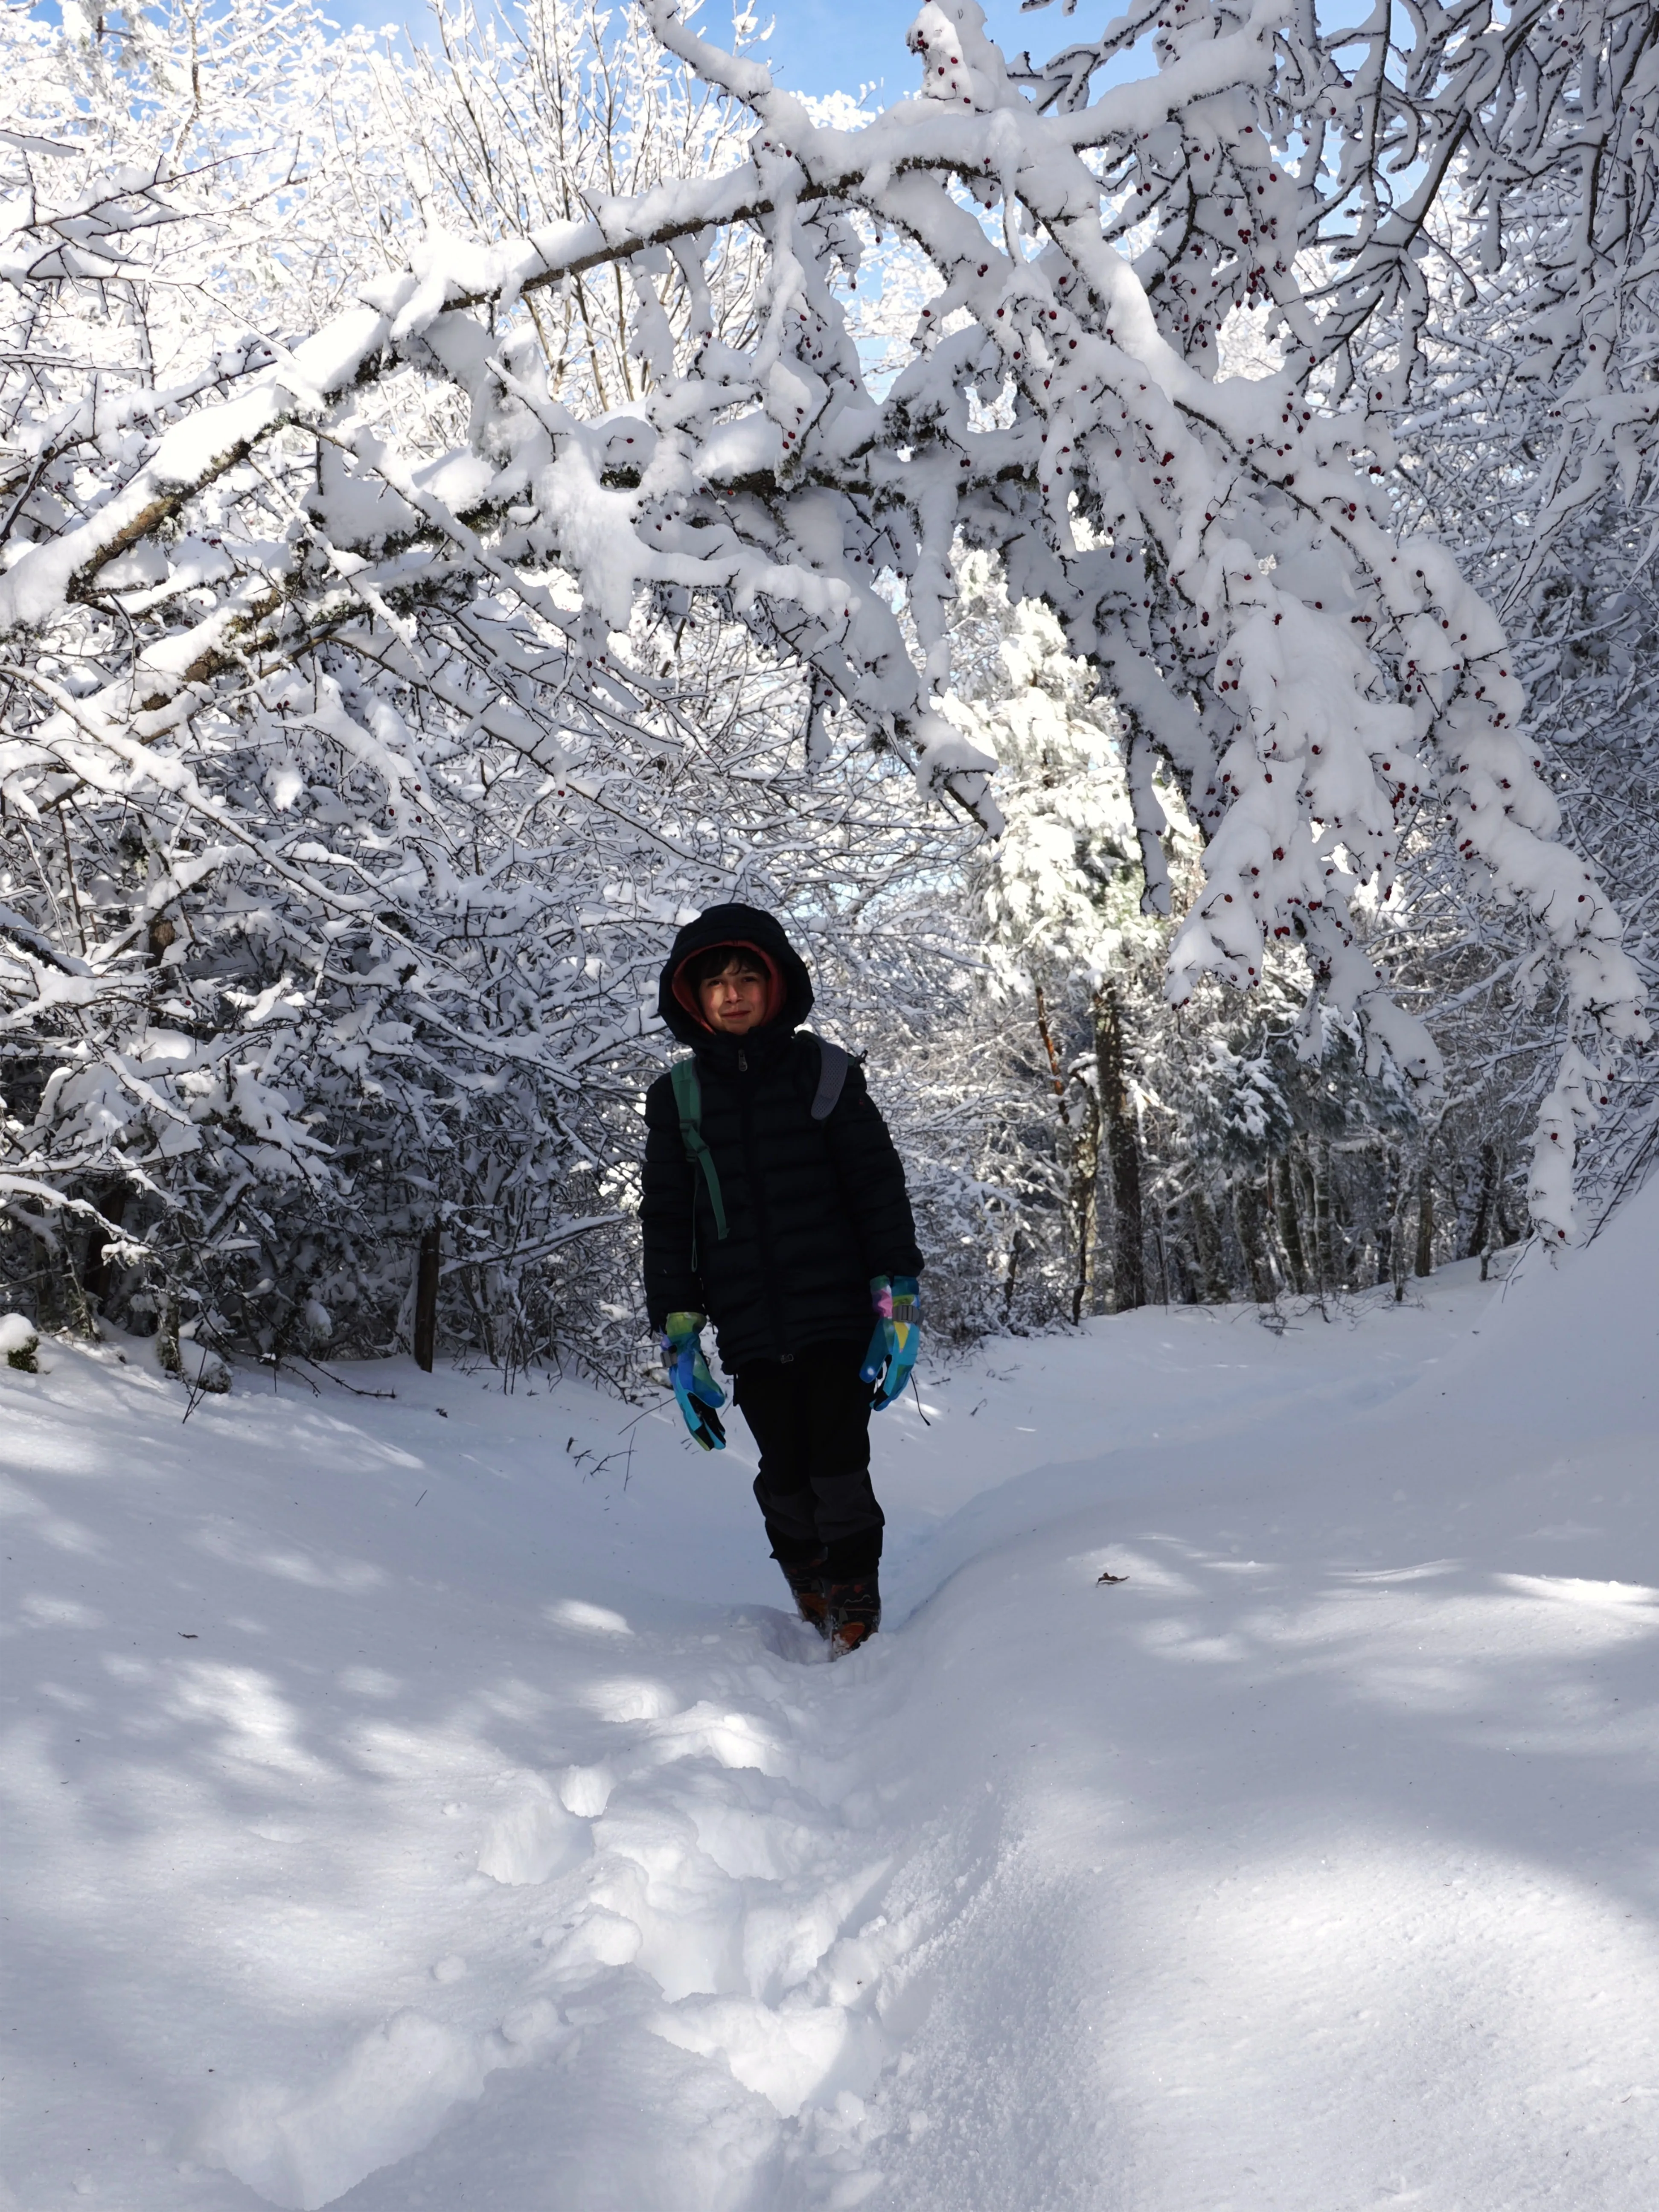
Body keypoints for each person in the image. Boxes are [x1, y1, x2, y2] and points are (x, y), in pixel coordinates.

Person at [640, 903, 923, 1656]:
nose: (732, 995)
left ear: (776, 985)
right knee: (785, 1470)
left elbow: (877, 1188)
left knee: (839, 1459)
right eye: (715, 984)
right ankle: (806, 1569)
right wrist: (679, 1331)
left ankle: (854, 1589)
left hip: (836, 1310)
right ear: (692, 998)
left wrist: (898, 1299)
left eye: (746, 978)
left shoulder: (825, 1073)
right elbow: (667, 1218)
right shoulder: (679, 1099)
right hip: (749, 1317)